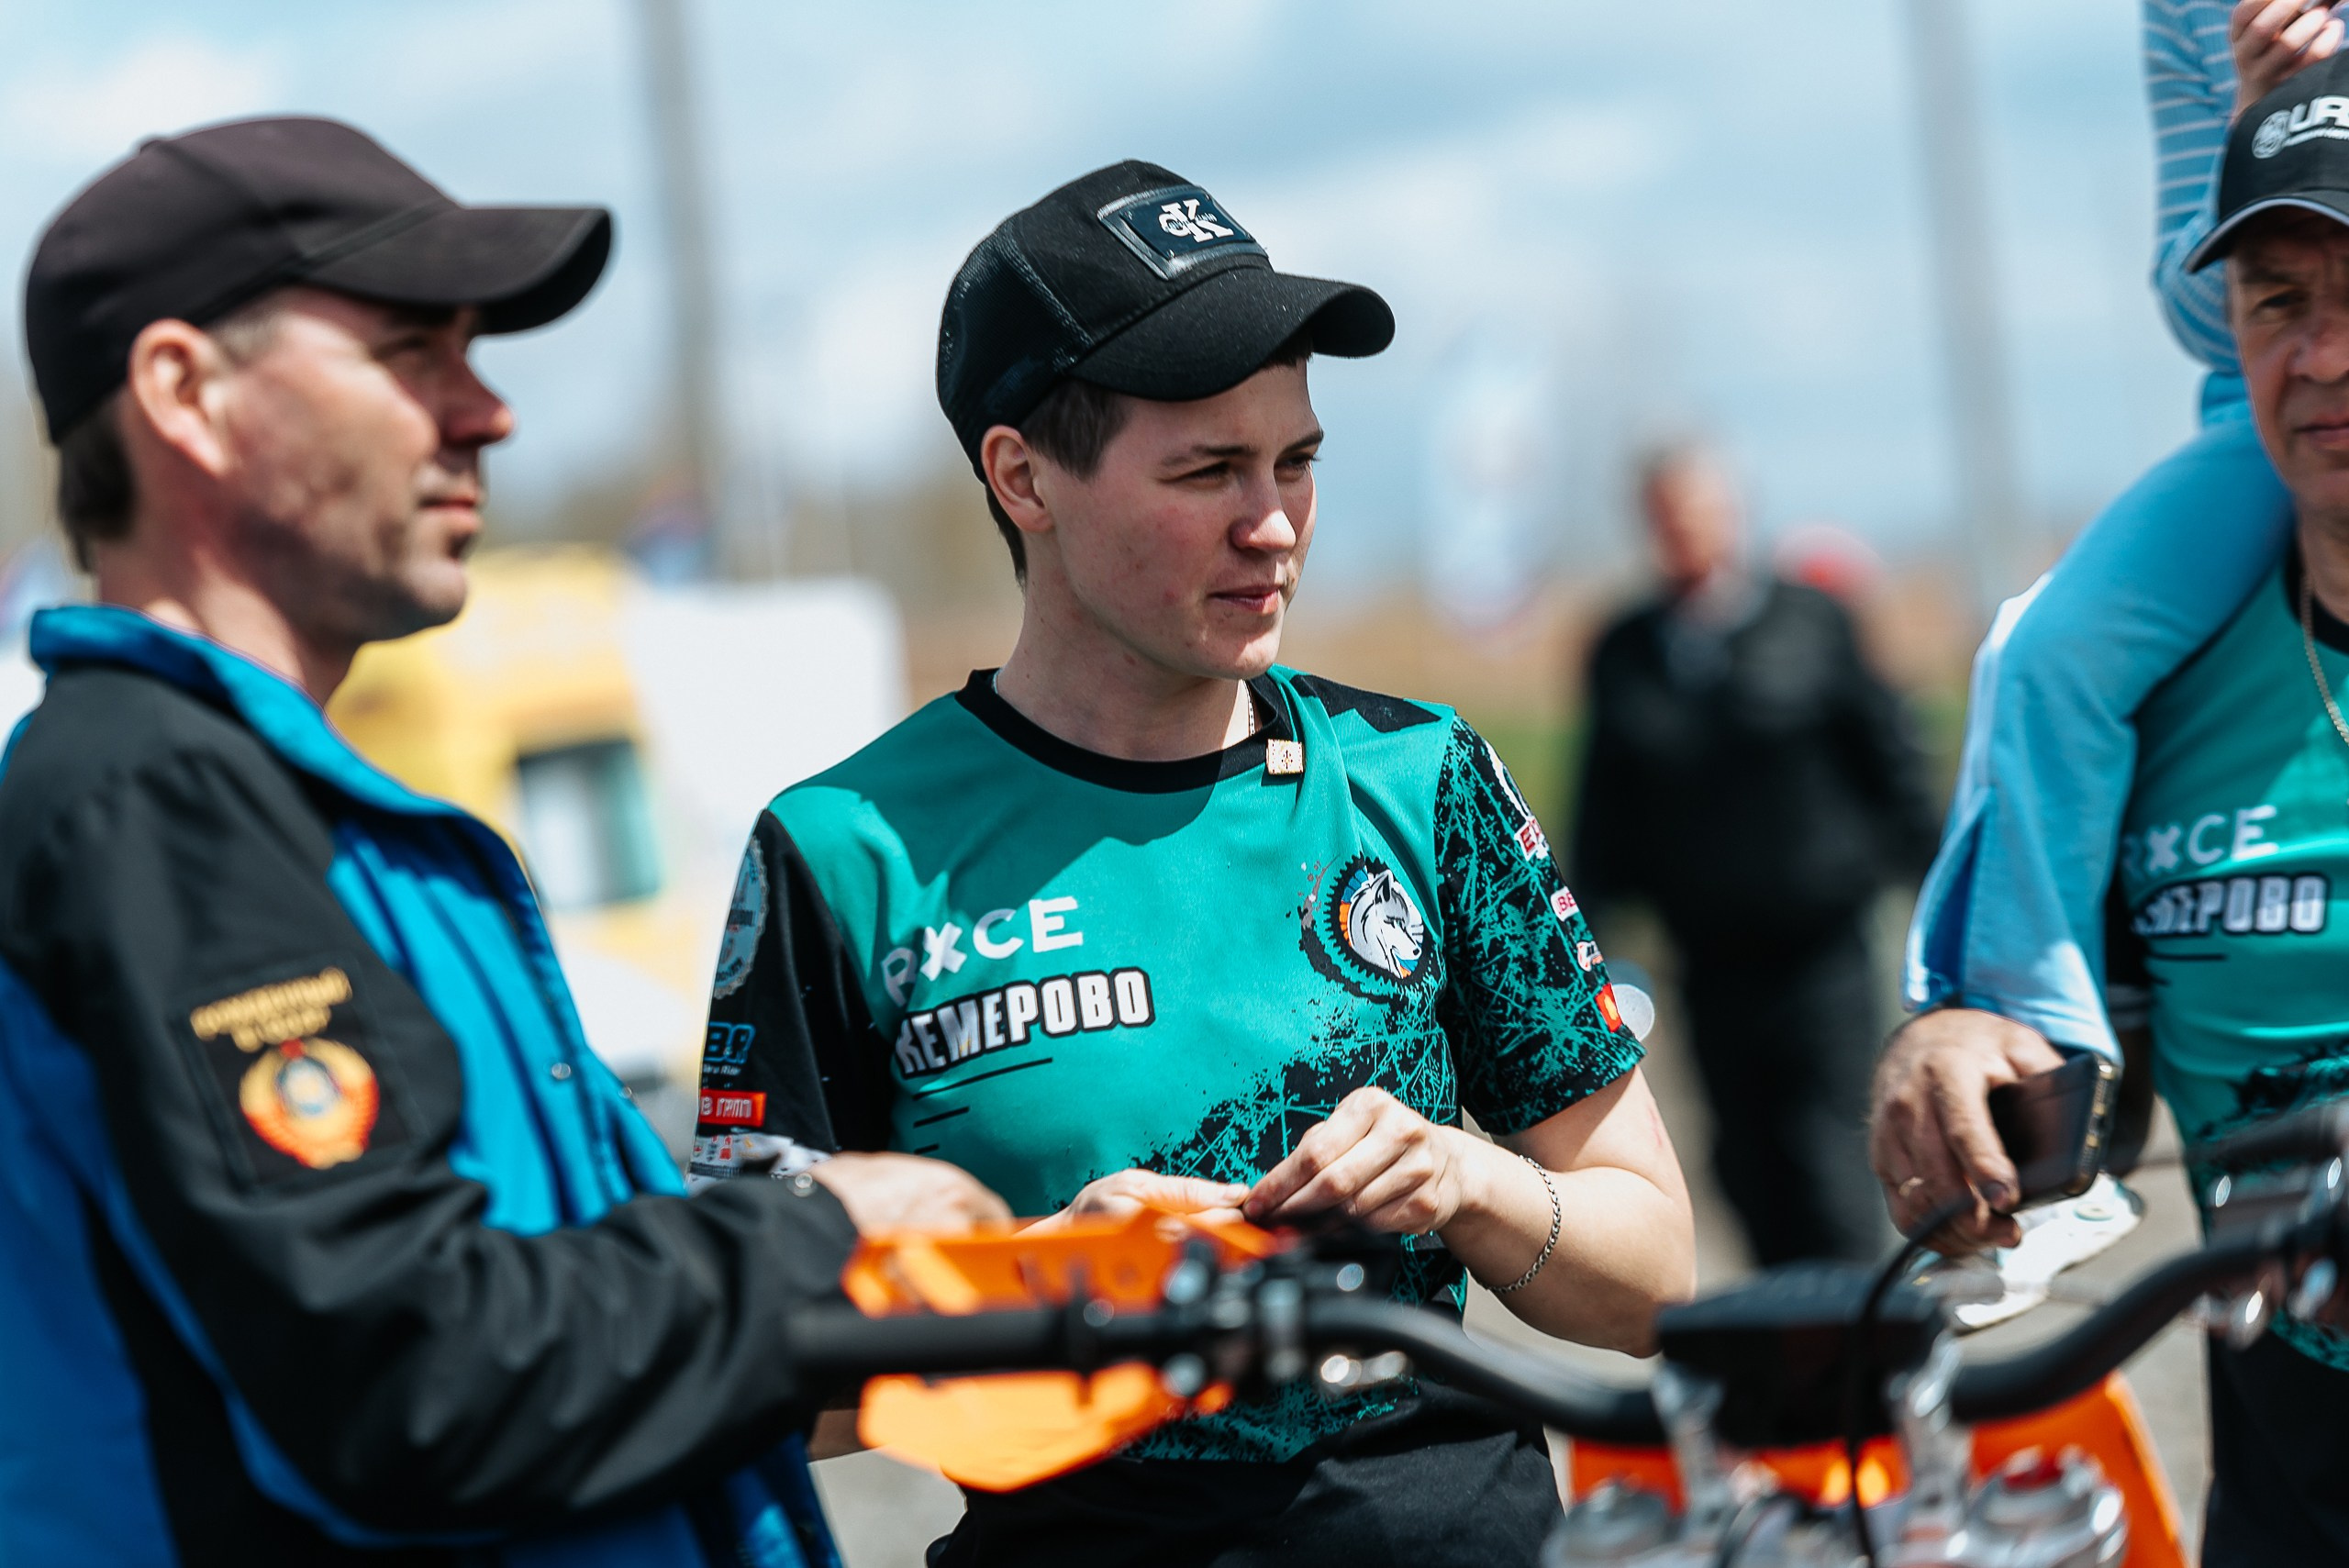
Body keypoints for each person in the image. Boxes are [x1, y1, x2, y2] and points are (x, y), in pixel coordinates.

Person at [0, 117, 1007, 1568]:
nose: (488, 414)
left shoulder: (309, 814)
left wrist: (1048, 1268)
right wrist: (821, 1234)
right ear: (186, 393)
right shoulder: (154, 802)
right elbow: (414, 1380)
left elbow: (593, 1344)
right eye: (412, 353)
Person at [689, 161, 1697, 1566]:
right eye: (1209, 470)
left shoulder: (1419, 777)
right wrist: (1041, 1283)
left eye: (1297, 462)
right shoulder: (844, 850)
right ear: (1022, 477)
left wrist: (1464, 1180)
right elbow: (736, 1373)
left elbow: (1656, 1278)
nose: (1271, 522)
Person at [1877, 60, 2349, 1563]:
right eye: (2279, 301)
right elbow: (2094, 1111)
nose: (2325, 353)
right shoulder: (2155, 705)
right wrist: (1966, 1041)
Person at [1899, 3, 2338, 1078]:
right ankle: (2037, 1036)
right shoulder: (2181, 11)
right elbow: (2195, 312)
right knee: (2043, 652)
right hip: (2254, 423)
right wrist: (2253, 129)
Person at [1570, 446, 1938, 1267]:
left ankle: (1860, 1333)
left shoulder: (1813, 621)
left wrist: (1945, 893)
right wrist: (1582, 946)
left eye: (1699, 511)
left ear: (1733, 513)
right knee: (1745, 1170)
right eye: (1667, 515)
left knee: (1831, 1166)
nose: (1685, 531)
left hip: (1821, 959)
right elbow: (1604, 812)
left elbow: (1892, 764)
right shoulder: (1626, 651)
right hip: (1708, 966)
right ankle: (1788, 1335)